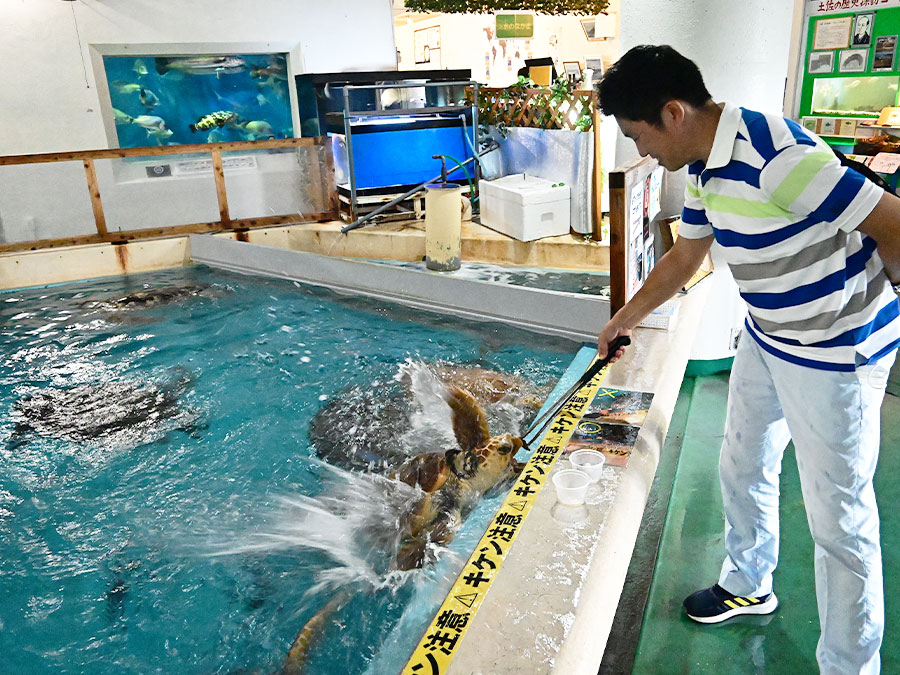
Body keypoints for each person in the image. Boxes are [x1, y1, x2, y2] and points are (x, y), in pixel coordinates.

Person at [596, 44, 900, 674]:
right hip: (768, 336)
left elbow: (894, 222)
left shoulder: (777, 157)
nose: (642, 152)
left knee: (839, 518)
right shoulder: (706, 163)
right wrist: (622, 319)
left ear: (673, 112)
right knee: (743, 459)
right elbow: (687, 256)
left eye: (639, 135)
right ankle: (749, 581)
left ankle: (852, 665)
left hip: (834, 350)